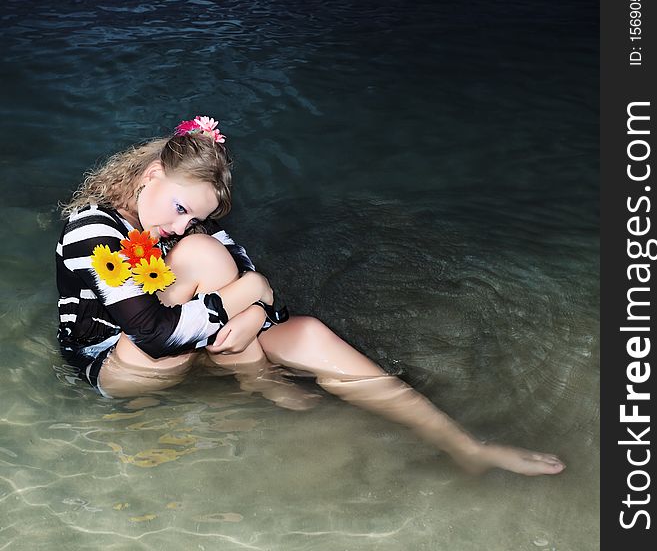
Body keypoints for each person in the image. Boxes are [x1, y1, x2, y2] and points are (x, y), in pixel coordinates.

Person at [56, 115, 565, 477]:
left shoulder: (186, 226)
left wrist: (256, 308)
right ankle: (259, 382)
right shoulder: (92, 231)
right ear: (151, 175)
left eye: (194, 215)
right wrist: (251, 292)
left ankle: (463, 445)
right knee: (204, 257)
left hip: (210, 342)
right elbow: (154, 334)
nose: (181, 223)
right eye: (181, 207)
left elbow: (258, 295)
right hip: (124, 365)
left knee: (308, 333)